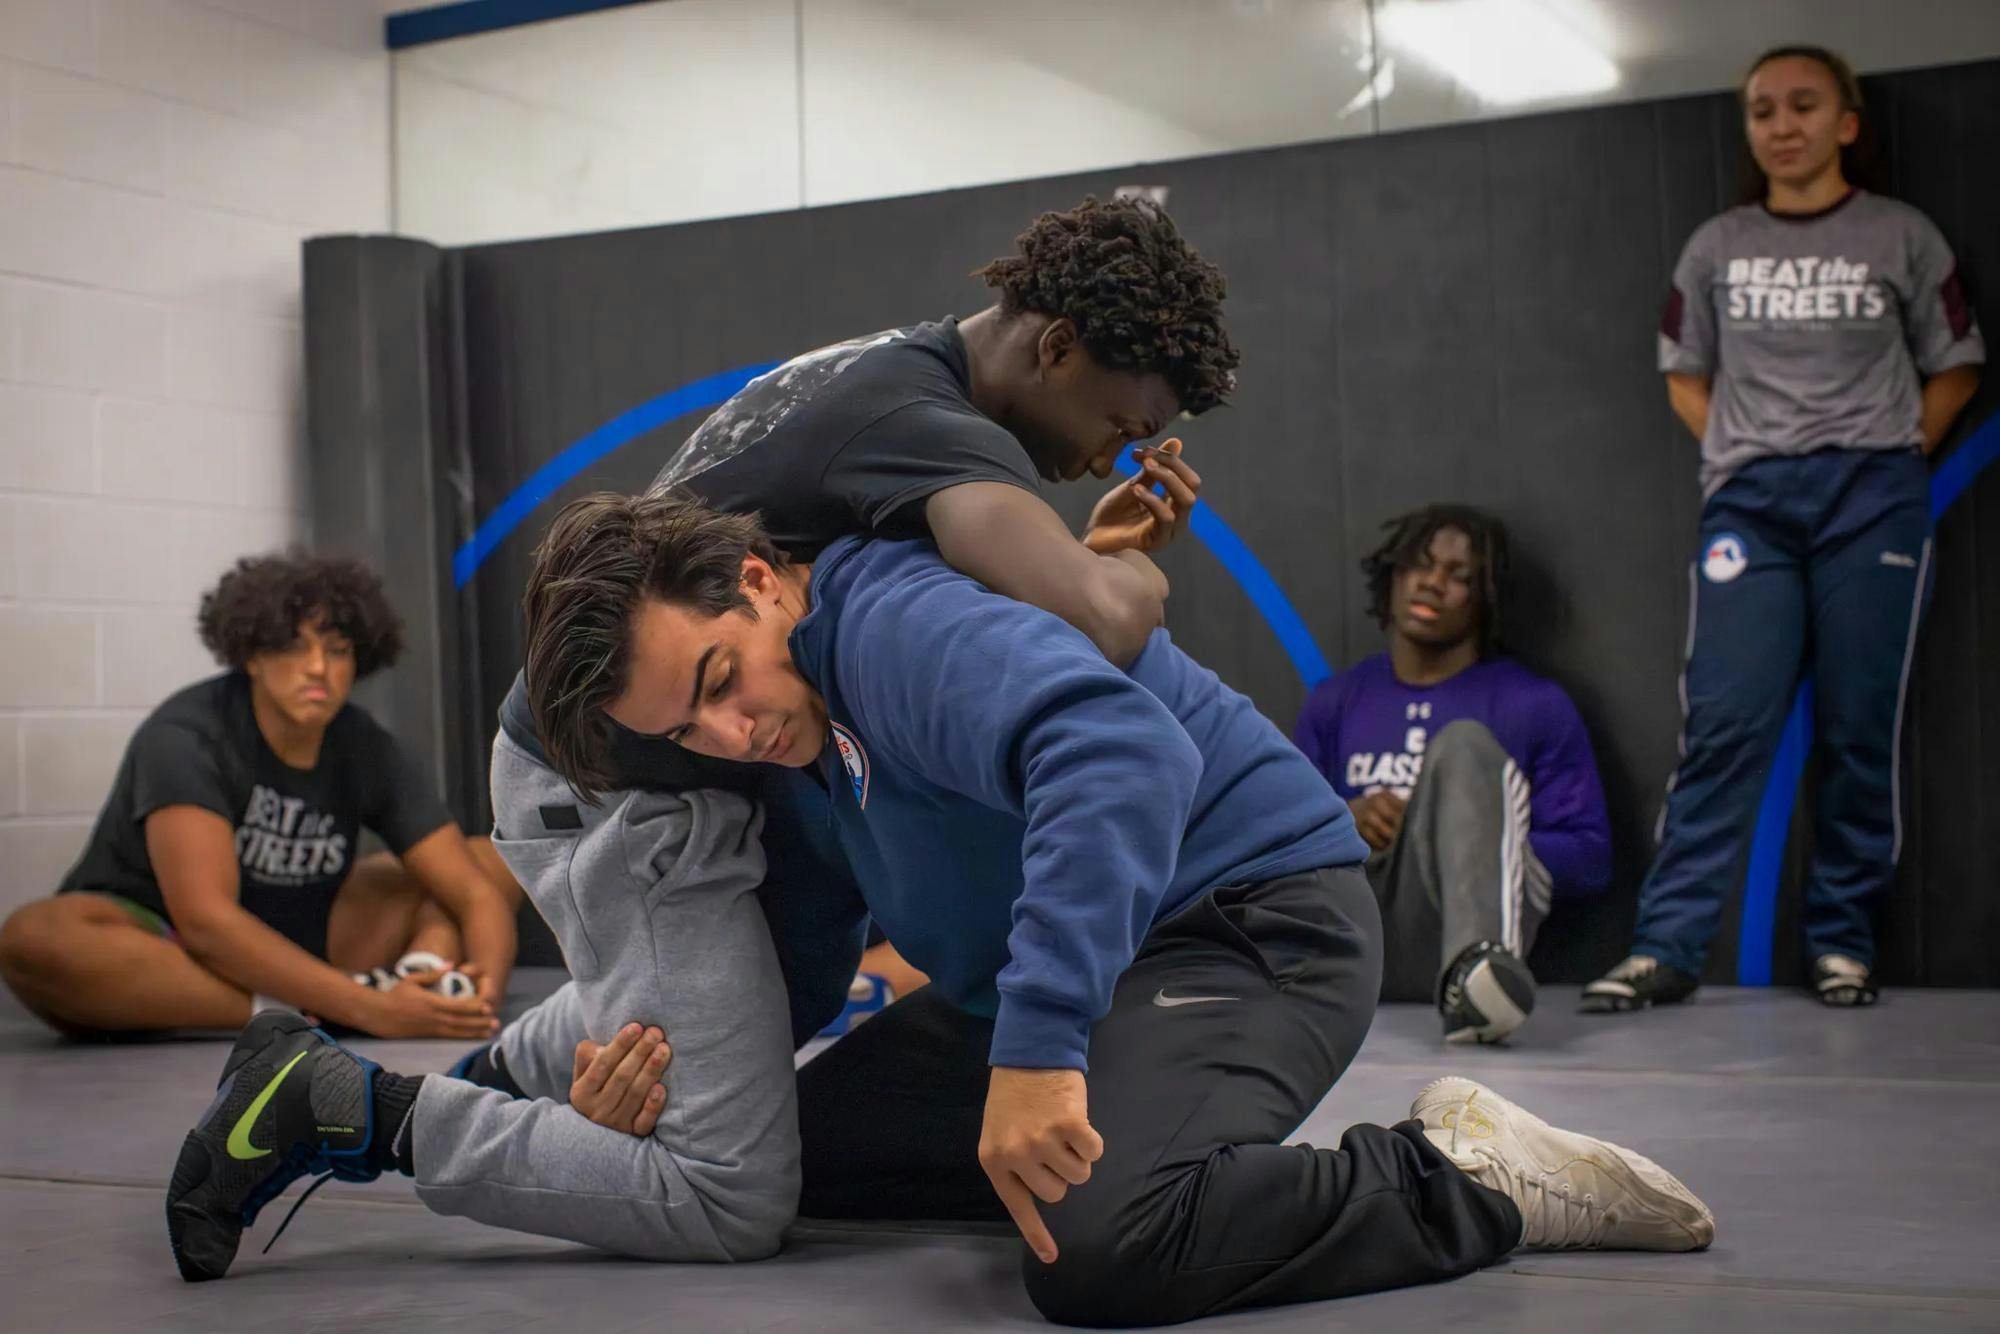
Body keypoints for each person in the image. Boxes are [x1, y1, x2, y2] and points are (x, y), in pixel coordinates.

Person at [166, 496, 1714, 1330]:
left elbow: (1122, 749)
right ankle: (1153, 1130)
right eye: (685, 729)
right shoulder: (779, 736)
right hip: (1041, 986)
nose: (730, 733)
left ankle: (1463, 1173)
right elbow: (795, 963)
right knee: (787, 1160)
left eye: (721, 679)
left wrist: (1039, 1055)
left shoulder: (885, 620)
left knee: (1103, 1256)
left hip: (1246, 921)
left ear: (767, 584)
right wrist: (622, 1076)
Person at [1584, 45, 1984, 1014]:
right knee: (1722, 721)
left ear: (1845, 123)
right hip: (1748, 504)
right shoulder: (1714, 245)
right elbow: (1683, 371)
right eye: (1761, 109)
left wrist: (1892, 455)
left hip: (1873, 500)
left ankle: (1840, 943)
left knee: (1858, 722)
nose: (1780, 124)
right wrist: (1745, 443)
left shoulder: (1900, 235)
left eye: (1803, 105)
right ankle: (1664, 946)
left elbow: (1955, 363)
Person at [0, 552, 521, 1040]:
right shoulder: (187, 737)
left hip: (304, 940)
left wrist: (481, 1002)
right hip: (169, 948)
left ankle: (425, 978)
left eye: (337, 650)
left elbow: (474, 895)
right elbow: (205, 922)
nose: (318, 667)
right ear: (252, 657)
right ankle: (307, 1010)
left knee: (487, 861)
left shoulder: (366, 745)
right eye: (294, 647)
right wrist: (371, 1011)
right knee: (34, 939)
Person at [1295, 504, 1611, 1043]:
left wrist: (1474, 835)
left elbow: (1590, 856)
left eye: (1459, 576)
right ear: (1392, 576)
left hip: (1459, 924)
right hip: (1363, 939)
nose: (1432, 583)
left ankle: (1478, 982)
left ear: (1485, 597)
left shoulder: (1531, 703)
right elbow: (1278, 839)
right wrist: (1344, 817)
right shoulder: (1336, 700)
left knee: (1463, 745)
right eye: (1418, 564)